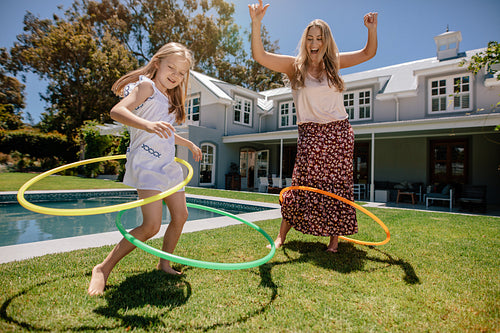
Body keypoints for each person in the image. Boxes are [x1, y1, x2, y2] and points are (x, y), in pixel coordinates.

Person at [249, 1, 377, 253]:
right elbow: (260, 56)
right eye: (310, 38)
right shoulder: (294, 65)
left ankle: (334, 241)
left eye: (319, 38)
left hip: (338, 133)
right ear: (305, 41)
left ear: (326, 41)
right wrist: (256, 23)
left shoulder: (335, 63)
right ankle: (281, 237)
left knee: (336, 186)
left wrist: (371, 29)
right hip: (309, 133)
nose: (314, 43)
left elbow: (367, 53)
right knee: (300, 184)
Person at [88, 42, 202, 296]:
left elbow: (166, 134)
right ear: (157, 63)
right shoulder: (146, 86)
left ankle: (164, 263)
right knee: (151, 227)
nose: (175, 75)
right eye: (171, 67)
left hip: (168, 165)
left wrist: (188, 143)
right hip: (148, 165)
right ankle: (103, 269)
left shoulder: (168, 99)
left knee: (181, 216)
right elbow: (117, 111)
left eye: (182, 72)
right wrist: (148, 125)